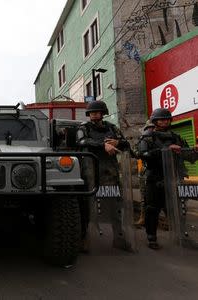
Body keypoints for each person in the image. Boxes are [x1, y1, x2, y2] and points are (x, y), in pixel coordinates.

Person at [137, 108, 198, 249]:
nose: (164, 121)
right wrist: (165, 150)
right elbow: (142, 154)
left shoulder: (176, 137)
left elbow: (189, 157)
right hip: (155, 179)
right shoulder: (147, 137)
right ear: (155, 121)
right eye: (161, 119)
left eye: (166, 119)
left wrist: (194, 152)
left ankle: (181, 235)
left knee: (179, 209)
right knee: (152, 209)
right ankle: (151, 238)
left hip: (175, 179)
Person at [76, 101, 130, 251]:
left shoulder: (112, 128)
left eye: (97, 112)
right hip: (90, 172)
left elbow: (126, 144)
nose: (94, 114)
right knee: (88, 206)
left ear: (103, 113)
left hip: (110, 172)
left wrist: (116, 142)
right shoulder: (83, 127)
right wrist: (103, 144)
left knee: (115, 205)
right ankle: (85, 239)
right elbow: (81, 141)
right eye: (92, 112)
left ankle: (119, 238)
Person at [134, 120, 155, 228]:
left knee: (165, 197)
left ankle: (169, 219)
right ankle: (143, 218)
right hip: (145, 172)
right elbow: (136, 153)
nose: (151, 130)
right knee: (144, 197)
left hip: (160, 172)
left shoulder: (162, 139)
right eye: (149, 128)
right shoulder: (143, 141)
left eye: (153, 127)